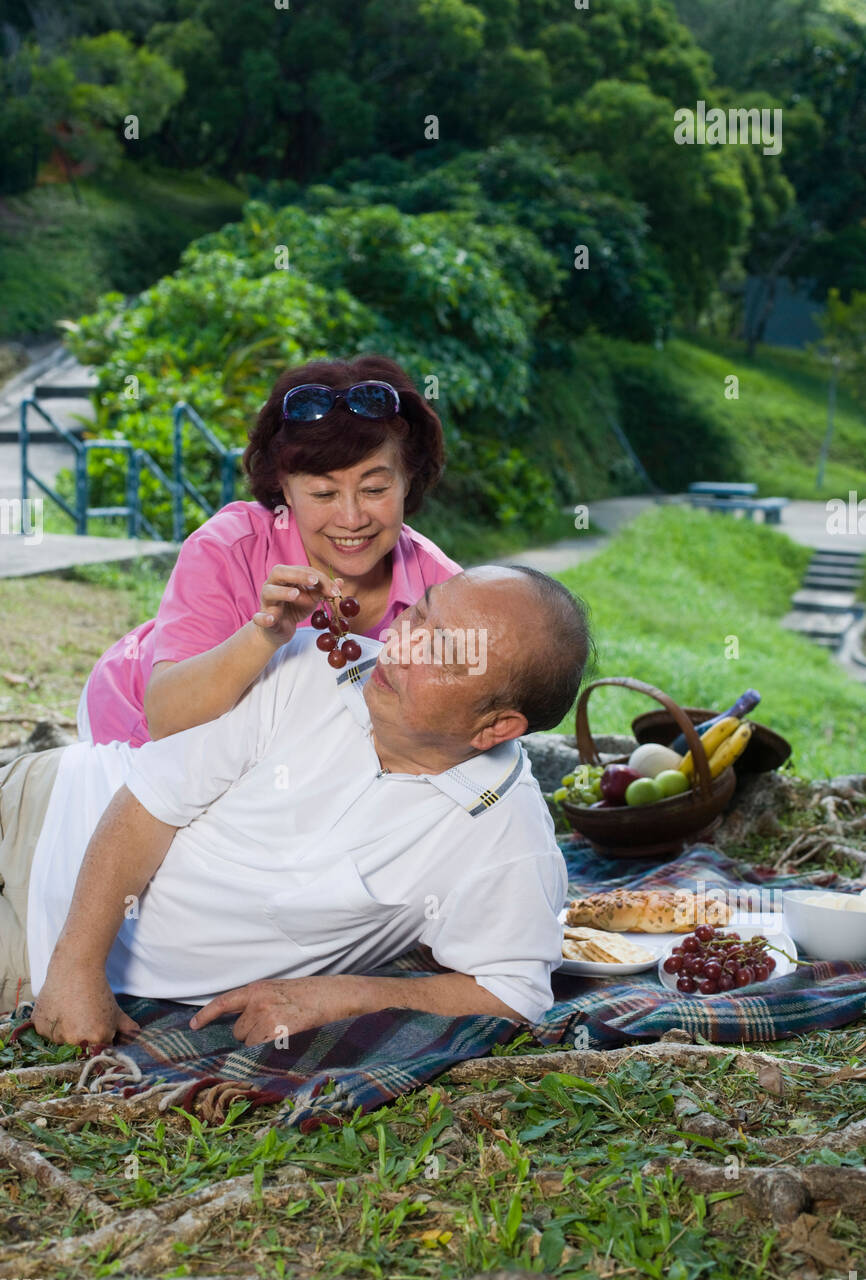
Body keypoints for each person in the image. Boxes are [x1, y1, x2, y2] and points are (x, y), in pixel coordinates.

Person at [0, 566, 594, 1047]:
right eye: (420, 612)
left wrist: (339, 994)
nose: (398, 643)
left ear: (496, 726)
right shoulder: (312, 662)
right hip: (42, 799)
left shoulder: (507, 835)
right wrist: (76, 967)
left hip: (31, 932)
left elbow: (513, 991)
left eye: (441, 651)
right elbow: (147, 805)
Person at [77, 355, 462, 746]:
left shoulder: (446, 591)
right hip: (137, 728)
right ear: (284, 487)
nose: (351, 518)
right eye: (323, 493)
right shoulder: (227, 548)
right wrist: (264, 637)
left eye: (374, 490)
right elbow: (167, 720)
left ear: (408, 479)